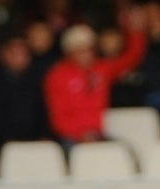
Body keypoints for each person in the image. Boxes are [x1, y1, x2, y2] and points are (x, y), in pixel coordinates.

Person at [44, 11, 148, 150]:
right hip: (71, 138)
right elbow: (58, 117)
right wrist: (80, 134)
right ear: (69, 52)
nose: (86, 54)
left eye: (89, 49)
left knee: (124, 152)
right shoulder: (57, 75)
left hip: (98, 134)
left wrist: (135, 31)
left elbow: (130, 59)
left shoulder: (100, 69)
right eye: (80, 50)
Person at [0, 34, 51, 157]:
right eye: (14, 53)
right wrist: (8, 139)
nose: (19, 58)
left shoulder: (38, 80)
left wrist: (43, 136)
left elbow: (44, 111)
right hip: (0, 145)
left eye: (23, 54)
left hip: (35, 141)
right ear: (3, 55)